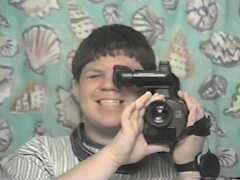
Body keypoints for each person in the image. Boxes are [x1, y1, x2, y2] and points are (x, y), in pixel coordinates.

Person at [2, 24, 210, 180]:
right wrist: (113, 156)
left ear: (149, 88)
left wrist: (187, 167)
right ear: (75, 88)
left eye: (125, 77)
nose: (109, 85)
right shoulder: (39, 155)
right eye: (94, 75)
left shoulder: (176, 157)